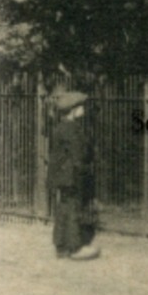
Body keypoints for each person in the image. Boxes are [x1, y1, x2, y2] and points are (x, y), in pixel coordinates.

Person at [48, 91, 100, 260]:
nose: (83, 109)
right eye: (80, 106)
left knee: (64, 208)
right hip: (72, 175)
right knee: (73, 209)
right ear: (73, 110)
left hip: (63, 175)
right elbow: (79, 154)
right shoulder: (72, 129)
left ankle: (61, 246)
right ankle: (75, 247)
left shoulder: (60, 127)